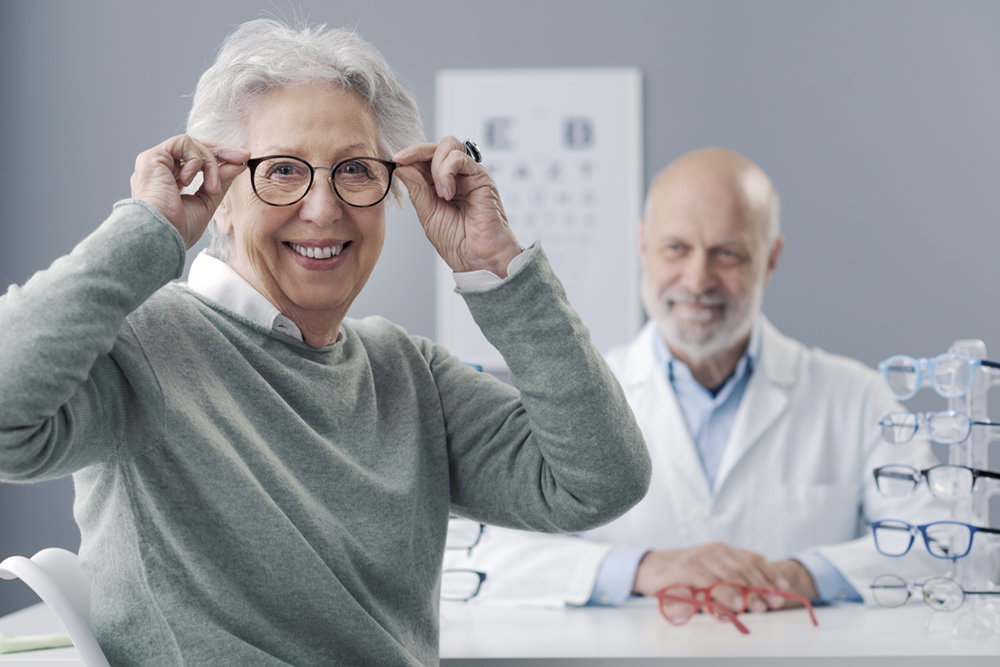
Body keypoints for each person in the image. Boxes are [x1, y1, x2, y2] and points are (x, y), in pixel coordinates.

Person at [0, 19, 651, 666]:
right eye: (283, 170)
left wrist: (498, 268)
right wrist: (150, 229)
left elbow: (602, 480)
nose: (323, 207)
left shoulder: (407, 373)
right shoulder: (143, 348)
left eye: (355, 171)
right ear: (220, 196)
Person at [443, 147, 947, 612]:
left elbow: (949, 542)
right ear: (643, 245)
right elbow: (472, 555)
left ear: (771, 259)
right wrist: (643, 569)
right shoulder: (566, 395)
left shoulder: (856, 398)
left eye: (727, 253)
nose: (698, 279)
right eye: (676, 248)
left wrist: (802, 575)